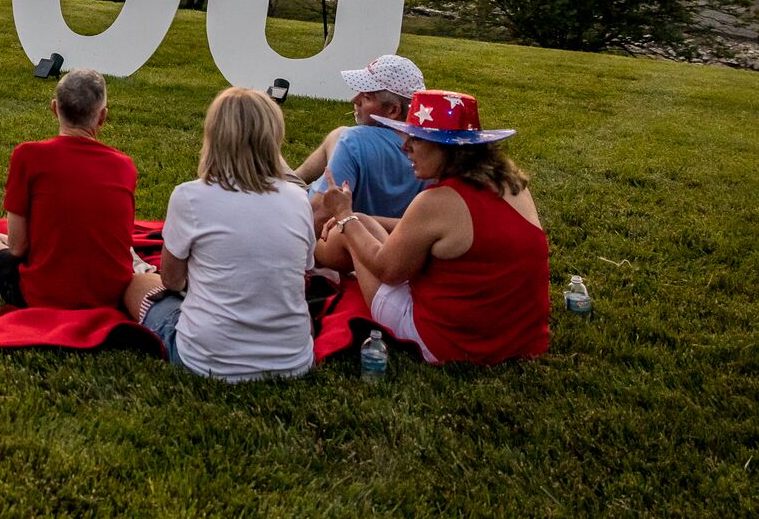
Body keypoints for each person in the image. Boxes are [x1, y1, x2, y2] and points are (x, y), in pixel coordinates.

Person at [318, 90, 549, 366]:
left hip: (449, 343)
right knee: (362, 222)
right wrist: (361, 218)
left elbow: (388, 271)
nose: (404, 146)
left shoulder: (437, 202)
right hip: (518, 339)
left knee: (351, 231)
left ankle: (310, 265)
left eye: (416, 139)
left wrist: (343, 214)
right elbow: (430, 233)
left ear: (448, 148)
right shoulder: (512, 186)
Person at [126, 87, 317, 381]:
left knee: (138, 283)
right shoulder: (298, 199)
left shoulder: (190, 197)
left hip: (206, 360)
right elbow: (303, 273)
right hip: (293, 361)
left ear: (213, 135)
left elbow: (171, 281)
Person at [0, 69, 155, 316]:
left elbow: (18, 248)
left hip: (43, 295)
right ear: (102, 117)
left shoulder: (29, 156)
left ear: (54, 108)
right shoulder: (124, 166)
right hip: (108, 293)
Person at [294, 54, 425, 221]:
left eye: (367, 97)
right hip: (384, 231)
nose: (354, 99)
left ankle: (289, 184)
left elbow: (318, 214)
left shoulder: (354, 141)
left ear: (393, 110)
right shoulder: (430, 153)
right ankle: (294, 179)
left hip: (311, 216)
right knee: (338, 133)